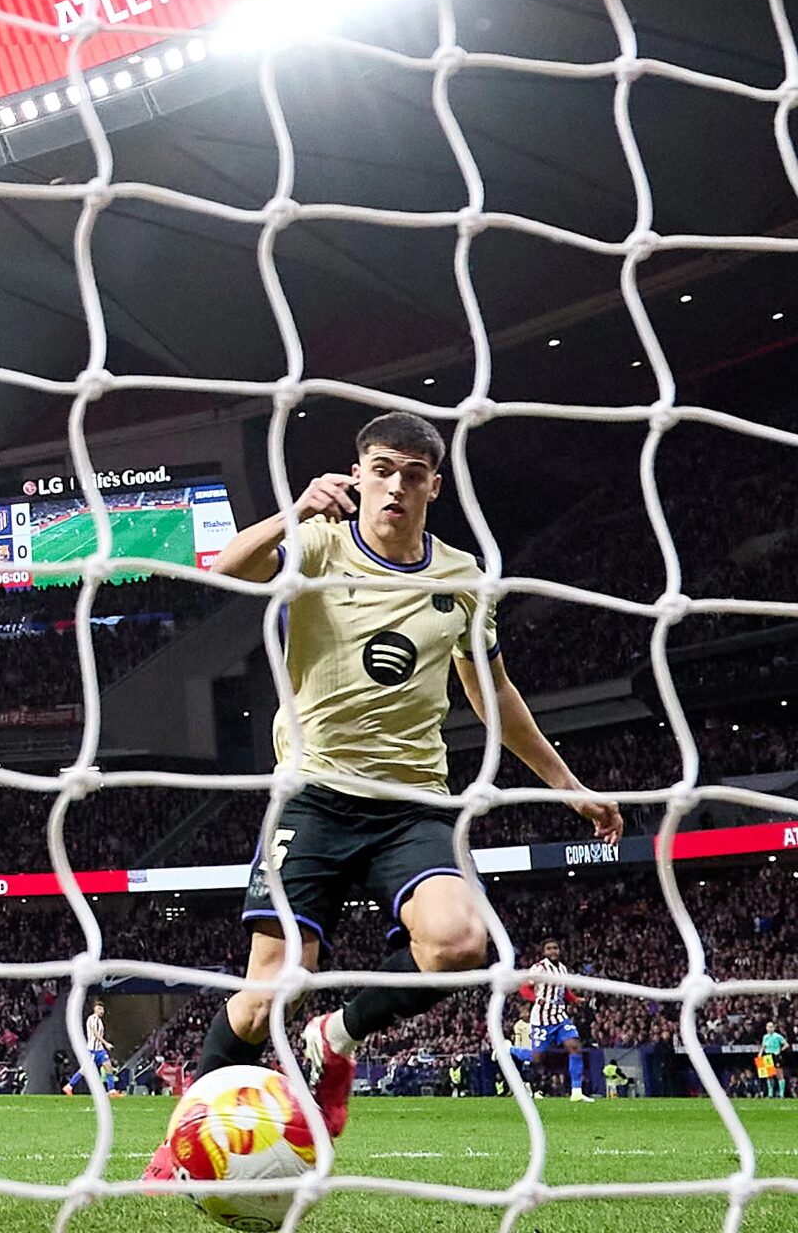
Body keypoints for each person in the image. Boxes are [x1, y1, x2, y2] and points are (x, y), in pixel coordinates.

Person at [146, 413, 620, 1180]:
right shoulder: (319, 546)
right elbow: (224, 570)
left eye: (413, 473)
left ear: (434, 486)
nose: (396, 484)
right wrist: (295, 510)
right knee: (268, 996)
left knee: (460, 946)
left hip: (412, 805)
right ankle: (181, 1148)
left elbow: (493, 694)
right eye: (382, 469)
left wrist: (569, 788)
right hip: (312, 797)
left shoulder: (462, 579)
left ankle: (335, 1037)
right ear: (358, 474)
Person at [523, 938, 592, 1101]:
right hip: (542, 1018)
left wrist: (575, 1000)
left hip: (560, 1015)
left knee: (575, 1046)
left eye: (555, 948)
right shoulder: (539, 968)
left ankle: (576, 1091)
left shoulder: (562, 969)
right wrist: (536, 999)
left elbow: (563, 990)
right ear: (544, 952)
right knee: (537, 1057)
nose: (553, 951)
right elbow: (524, 987)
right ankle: (508, 1050)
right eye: (549, 948)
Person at [64, 997, 110, 1094]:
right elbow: (95, 1033)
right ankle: (69, 1086)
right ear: (94, 1009)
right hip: (92, 1050)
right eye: (99, 1009)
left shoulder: (99, 1021)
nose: (101, 1011)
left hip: (100, 1049)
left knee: (108, 1067)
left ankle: (112, 1090)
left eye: (102, 1009)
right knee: (85, 1070)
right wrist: (106, 1043)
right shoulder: (92, 1019)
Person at [759, 1020, 787, 1099]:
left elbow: (786, 1044)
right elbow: (763, 1046)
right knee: (769, 1075)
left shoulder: (778, 1036)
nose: (770, 1028)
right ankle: (770, 1094)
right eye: (769, 1027)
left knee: (779, 1074)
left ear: (774, 1028)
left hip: (775, 1055)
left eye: (771, 1027)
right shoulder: (765, 1037)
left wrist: (780, 1050)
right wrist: (760, 1054)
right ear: (766, 1028)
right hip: (768, 1056)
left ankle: (781, 1094)